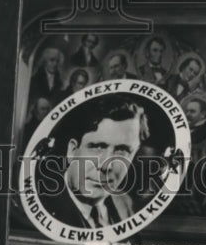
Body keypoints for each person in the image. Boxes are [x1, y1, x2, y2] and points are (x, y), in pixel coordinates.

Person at [39, 96, 148, 229]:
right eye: (97, 147)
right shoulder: (40, 204)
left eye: (122, 151)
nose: (105, 165)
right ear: (72, 150)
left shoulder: (126, 204)